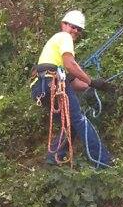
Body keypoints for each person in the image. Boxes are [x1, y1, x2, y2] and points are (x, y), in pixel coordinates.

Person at [31, 10, 114, 167]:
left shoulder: (54, 49)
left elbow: (73, 82)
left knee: (69, 124)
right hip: (51, 82)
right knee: (80, 120)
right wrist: (92, 81)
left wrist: (95, 86)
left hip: (41, 88)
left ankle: (53, 158)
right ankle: (103, 162)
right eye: (73, 26)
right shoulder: (64, 37)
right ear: (63, 25)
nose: (75, 30)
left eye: (79, 29)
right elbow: (71, 64)